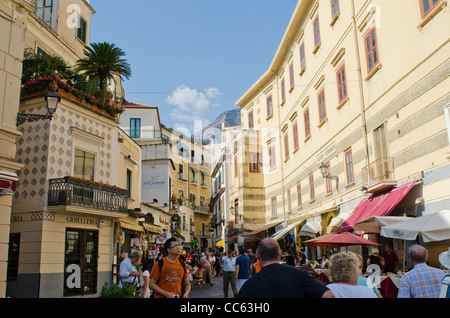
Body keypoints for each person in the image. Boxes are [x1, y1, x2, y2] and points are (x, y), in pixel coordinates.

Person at [237, 238, 334, 298]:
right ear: (280, 255)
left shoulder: (249, 285)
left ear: (257, 255)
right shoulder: (299, 275)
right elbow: (328, 295)